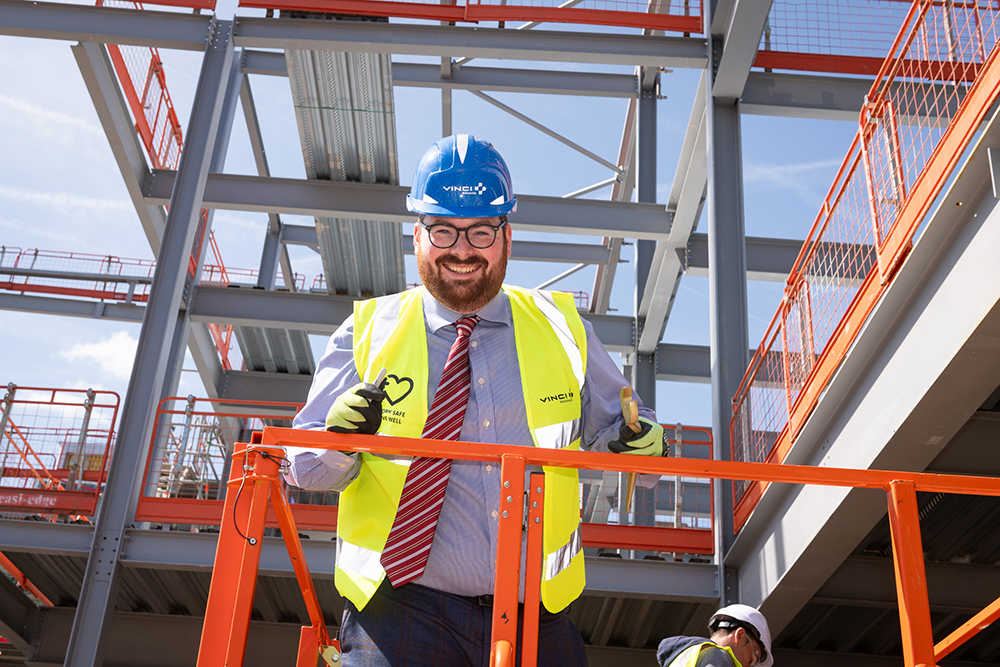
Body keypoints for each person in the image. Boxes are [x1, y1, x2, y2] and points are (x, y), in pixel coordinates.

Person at [285, 134, 664, 667]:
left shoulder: (562, 328)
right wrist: (337, 443)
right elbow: (302, 467)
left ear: (507, 236)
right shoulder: (366, 331)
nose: (462, 250)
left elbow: (626, 434)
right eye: (443, 230)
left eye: (481, 231)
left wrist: (640, 441)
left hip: (537, 613)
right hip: (400, 611)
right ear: (417, 235)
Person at [656, 604, 773, 667]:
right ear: (740, 635)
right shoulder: (717, 655)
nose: (748, 666)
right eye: (753, 658)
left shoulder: (686, 656)